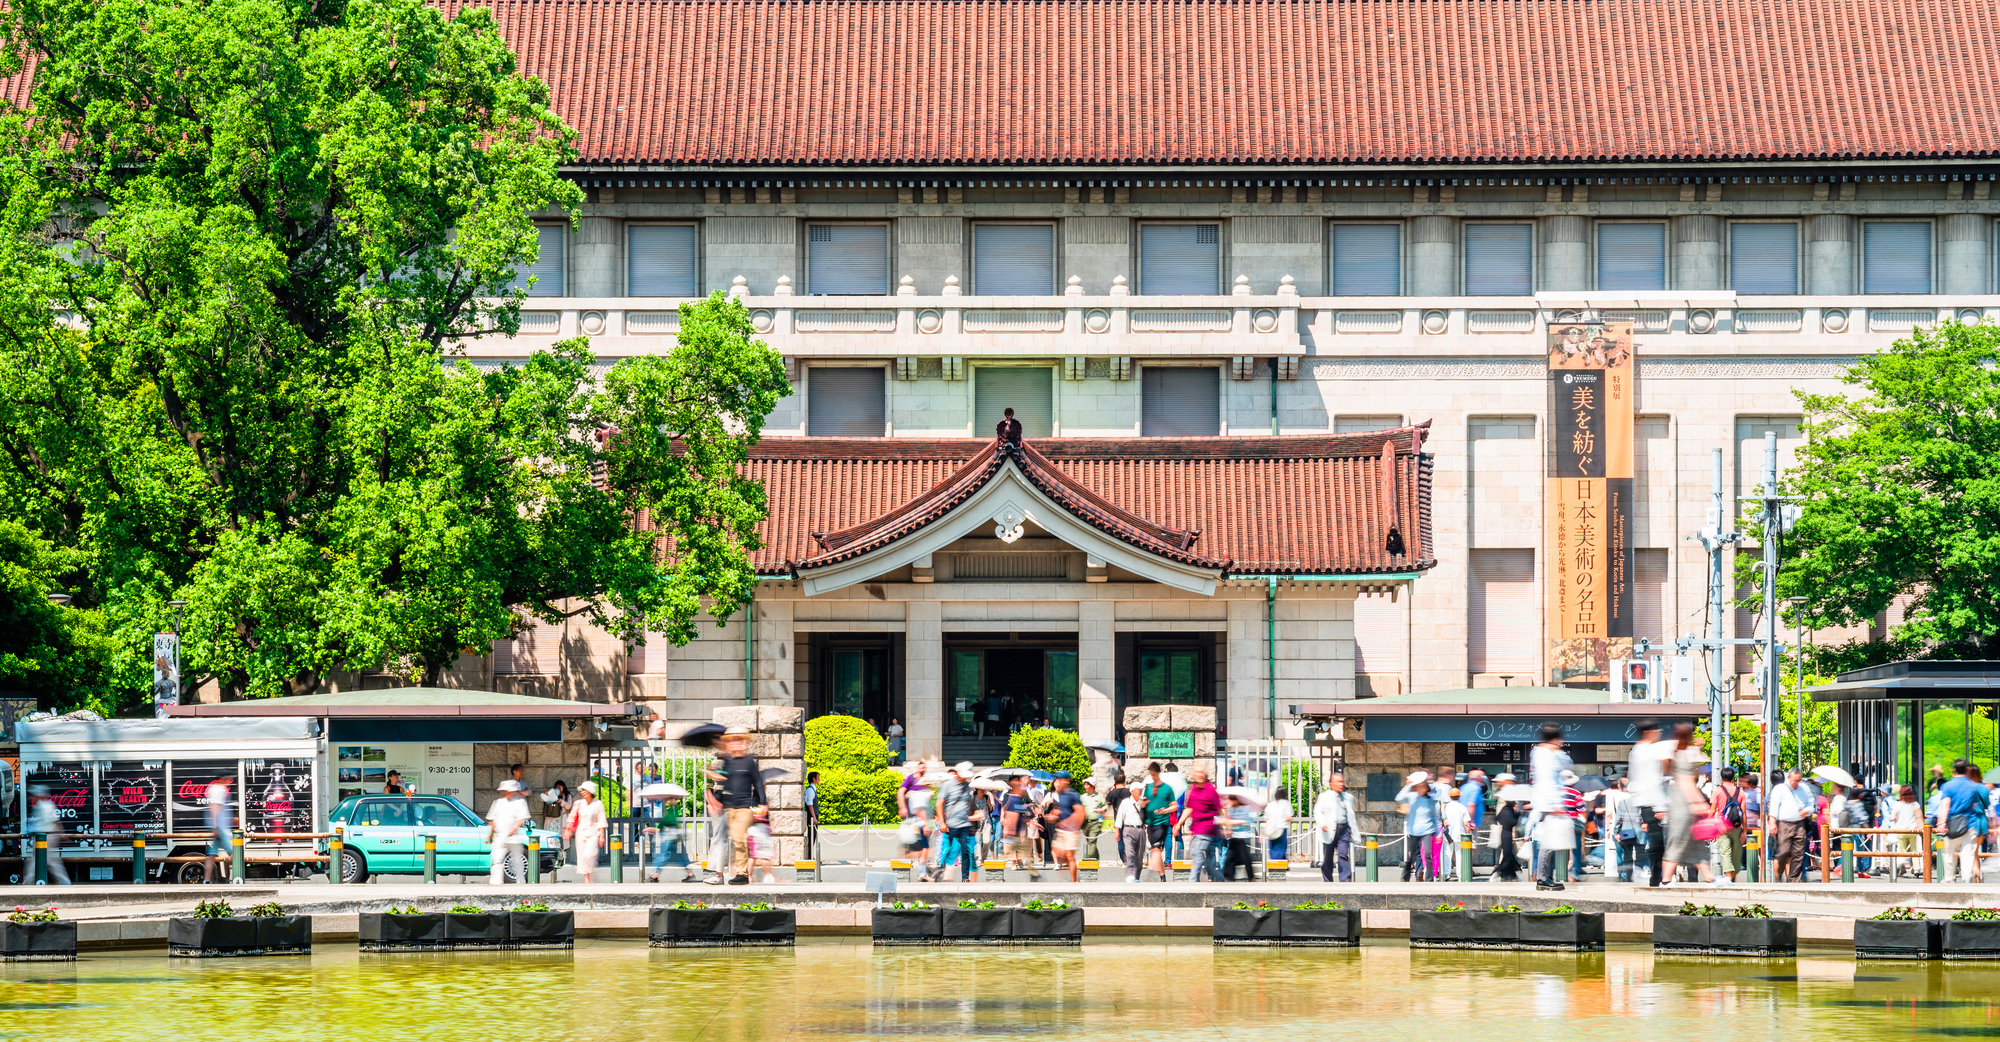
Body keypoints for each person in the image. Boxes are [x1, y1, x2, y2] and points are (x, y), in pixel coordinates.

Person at [704, 726, 768, 885]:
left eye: (739, 740)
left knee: (739, 837)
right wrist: (718, 800)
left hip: (745, 806)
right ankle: (727, 873)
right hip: (729, 806)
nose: (736, 743)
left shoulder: (749, 761)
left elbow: (758, 782)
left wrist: (763, 802)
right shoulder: (727, 761)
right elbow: (728, 783)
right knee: (731, 839)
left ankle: (743, 874)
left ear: (743, 743)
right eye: (732, 740)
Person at [1658, 722, 1715, 887]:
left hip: (1680, 800)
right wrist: (1697, 803)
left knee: (1695, 842)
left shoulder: (1677, 753)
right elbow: (1687, 783)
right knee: (1679, 840)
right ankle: (1666, 880)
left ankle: (1709, 877)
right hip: (1683, 802)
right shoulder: (1683, 755)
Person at [1627, 720, 1670, 887]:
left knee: (1655, 841)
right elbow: (1654, 781)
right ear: (1648, 732)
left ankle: (1657, 876)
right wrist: (1660, 807)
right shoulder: (1649, 751)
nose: (1659, 732)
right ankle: (1657, 876)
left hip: (1644, 802)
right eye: (1657, 729)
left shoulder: (1635, 751)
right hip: (1654, 803)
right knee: (1658, 842)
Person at [1531, 724, 1574, 891]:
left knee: (1551, 843)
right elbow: (1548, 780)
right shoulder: (1545, 755)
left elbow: (1567, 764)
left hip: (1550, 803)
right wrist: (1554, 804)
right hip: (1549, 804)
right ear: (1555, 739)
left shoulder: (1546, 753)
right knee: (1548, 843)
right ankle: (1543, 878)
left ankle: (1545, 876)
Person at [1938, 759, 1992, 884]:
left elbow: (1945, 804)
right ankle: (1967, 878)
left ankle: (1949, 879)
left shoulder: (1948, 786)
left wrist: (1941, 823)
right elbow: (1974, 805)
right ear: (1967, 770)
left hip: (1952, 824)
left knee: (1949, 853)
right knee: (1968, 853)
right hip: (1970, 823)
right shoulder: (1973, 786)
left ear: (1954, 770)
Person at [934, 762, 980, 882]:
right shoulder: (947, 785)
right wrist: (942, 822)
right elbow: (939, 803)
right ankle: (940, 868)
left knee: (965, 850)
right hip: (951, 824)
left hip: (964, 824)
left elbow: (968, 802)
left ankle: (965, 878)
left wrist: (974, 814)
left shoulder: (967, 786)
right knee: (949, 849)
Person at [1766, 768, 1814, 883]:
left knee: (1798, 854)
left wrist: (1807, 810)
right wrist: (1772, 823)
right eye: (1794, 780)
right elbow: (1774, 807)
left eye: (1799, 780)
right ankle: (1779, 876)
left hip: (1800, 824)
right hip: (1784, 824)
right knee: (1783, 851)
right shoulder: (1780, 789)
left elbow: (1811, 803)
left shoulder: (1804, 788)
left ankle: (1794, 881)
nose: (1796, 783)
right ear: (1788, 778)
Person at [1179, 767, 1224, 882]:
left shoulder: (1210, 789)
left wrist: (1224, 825)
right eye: (1196, 773)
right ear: (1193, 775)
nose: (1199, 775)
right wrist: (1179, 823)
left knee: (1197, 854)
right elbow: (1189, 808)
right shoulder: (1193, 789)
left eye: (1201, 772)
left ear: (1205, 774)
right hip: (1197, 829)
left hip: (1207, 828)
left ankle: (1193, 881)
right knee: (1209, 860)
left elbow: (1219, 809)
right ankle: (1220, 879)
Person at [1313, 772, 1357, 882]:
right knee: (1328, 856)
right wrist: (1322, 823)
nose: (1341, 784)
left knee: (1343, 854)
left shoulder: (1348, 797)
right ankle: (1328, 879)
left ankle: (1345, 879)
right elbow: (1318, 811)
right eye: (1338, 782)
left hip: (1344, 829)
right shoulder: (1324, 797)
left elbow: (1351, 815)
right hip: (1328, 829)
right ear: (1331, 784)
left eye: (1342, 781)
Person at [1397, 771, 1440, 882]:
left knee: (1427, 854)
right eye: (1418, 787)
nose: (1421, 789)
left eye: (1423, 787)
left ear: (1426, 788)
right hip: (1413, 830)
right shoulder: (1411, 796)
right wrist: (1407, 786)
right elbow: (1398, 798)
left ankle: (1429, 879)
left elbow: (1434, 816)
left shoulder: (1430, 800)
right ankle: (1405, 878)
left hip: (1427, 830)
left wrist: (1437, 832)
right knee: (1410, 856)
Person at [644, 790, 695, 883]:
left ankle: (655, 875)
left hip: (668, 837)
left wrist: (654, 828)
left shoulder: (672, 811)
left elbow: (665, 823)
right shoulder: (672, 810)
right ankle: (690, 874)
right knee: (679, 857)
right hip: (673, 836)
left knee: (661, 855)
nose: (665, 800)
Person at [485, 780, 530, 884]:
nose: (506, 793)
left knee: (517, 860)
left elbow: (521, 818)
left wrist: (515, 828)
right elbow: (492, 820)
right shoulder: (497, 803)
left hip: (513, 837)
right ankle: (496, 881)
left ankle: (520, 881)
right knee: (497, 859)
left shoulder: (520, 802)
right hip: (499, 836)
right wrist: (490, 833)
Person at [25, 786, 71, 885]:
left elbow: (55, 821)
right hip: (45, 836)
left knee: (37, 860)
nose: (30, 797)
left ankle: (28, 882)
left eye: (32, 795)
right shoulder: (43, 805)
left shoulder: (44, 806)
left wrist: (62, 835)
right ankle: (64, 881)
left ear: (37, 795)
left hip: (45, 837)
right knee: (51, 861)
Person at [1045, 772, 1086, 881]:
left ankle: (1073, 881)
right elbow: (1059, 811)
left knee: (1069, 855)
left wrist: (1071, 824)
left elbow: (1080, 813)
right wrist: (1052, 815)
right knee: (1057, 852)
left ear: (1067, 781)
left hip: (1071, 831)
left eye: (1060, 779)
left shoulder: (1073, 795)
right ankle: (1065, 879)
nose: (1057, 782)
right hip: (1060, 830)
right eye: (1057, 779)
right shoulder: (1060, 795)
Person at [567, 780, 609, 884]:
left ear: (590, 791)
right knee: (582, 856)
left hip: (594, 833)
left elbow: (601, 820)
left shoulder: (598, 804)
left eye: (584, 790)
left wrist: (602, 836)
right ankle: (587, 878)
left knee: (589, 854)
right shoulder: (578, 803)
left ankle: (591, 869)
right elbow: (571, 817)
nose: (582, 792)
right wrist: (567, 830)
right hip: (581, 832)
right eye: (581, 790)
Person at [1001, 775, 1042, 882]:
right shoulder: (1008, 795)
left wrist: (1030, 821)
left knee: (1021, 849)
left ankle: (1030, 872)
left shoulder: (1020, 795)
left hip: (1019, 825)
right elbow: (1005, 809)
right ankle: (1016, 865)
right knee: (1012, 847)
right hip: (1012, 827)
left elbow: (1021, 811)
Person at [1708, 768, 1746, 883]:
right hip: (1736, 826)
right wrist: (1744, 830)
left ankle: (1728, 877)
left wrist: (1709, 826)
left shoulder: (1718, 791)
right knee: (1736, 853)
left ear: (1721, 777)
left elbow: (1712, 811)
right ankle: (1732, 877)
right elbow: (1743, 813)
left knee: (1725, 852)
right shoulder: (1740, 791)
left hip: (1722, 827)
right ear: (1733, 778)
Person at [1142, 763, 1174, 881]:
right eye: (1151, 775)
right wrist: (1143, 804)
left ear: (1159, 773)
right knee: (1155, 849)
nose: (1153, 777)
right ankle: (1162, 876)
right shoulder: (1148, 787)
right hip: (1150, 823)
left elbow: (1175, 806)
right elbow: (1143, 804)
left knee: (1156, 848)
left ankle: (1151, 872)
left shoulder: (1167, 788)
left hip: (1162, 822)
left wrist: (1164, 811)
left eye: (1154, 775)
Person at [1885, 784, 1923, 879]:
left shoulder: (1897, 805)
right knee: (1914, 850)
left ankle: (1900, 866)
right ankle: (1917, 869)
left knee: (1901, 850)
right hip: (1912, 830)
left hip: (1901, 830)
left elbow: (1892, 818)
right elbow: (1919, 816)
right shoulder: (1914, 804)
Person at [1491, 774, 1524, 882]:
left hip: (1505, 832)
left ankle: (1504, 871)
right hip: (1507, 832)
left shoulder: (1505, 809)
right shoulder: (1510, 811)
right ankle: (1509, 872)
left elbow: (1498, 818)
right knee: (1507, 852)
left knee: (1507, 852)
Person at [202, 773, 234, 883]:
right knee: (234, 853)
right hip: (220, 828)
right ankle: (233, 878)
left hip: (215, 827)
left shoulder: (213, 789)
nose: (230, 780)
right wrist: (216, 827)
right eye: (228, 778)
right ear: (222, 778)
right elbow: (215, 808)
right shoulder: (219, 790)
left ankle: (206, 880)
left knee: (211, 855)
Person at [1116, 776, 1149, 881]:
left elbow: (1146, 817)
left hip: (1141, 830)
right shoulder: (1126, 802)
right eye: (1139, 790)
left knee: (1139, 855)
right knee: (1130, 853)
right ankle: (1130, 874)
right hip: (1128, 829)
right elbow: (1120, 816)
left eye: (1141, 790)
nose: (1140, 791)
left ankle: (1137, 876)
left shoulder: (1143, 803)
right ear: (1133, 791)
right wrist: (1117, 830)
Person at [1222, 795, 1260, 881]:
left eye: (1233, 800)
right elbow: (1227, 821)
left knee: (1244, 857)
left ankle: (1250, 877)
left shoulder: (1245, 809)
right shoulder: (1230, 809)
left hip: (1242, 836)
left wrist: (1233, 822)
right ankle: (1229, 876)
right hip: (1233, 836)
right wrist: (1228, 826)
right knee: (1229, 857)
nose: (1232, 802)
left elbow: (1247, 821)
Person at [1440, 786, 1471, 877]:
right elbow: (1466, 824)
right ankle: (1460, 874)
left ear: (1450, 797)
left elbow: (1442, 820)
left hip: (1447, 834)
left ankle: (1447, 873)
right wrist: (1468, 834)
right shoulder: (1462, 808)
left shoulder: (1445, 807)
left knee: (1447, 854)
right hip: (1459, 834)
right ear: (1459, 797)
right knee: (1459, 854)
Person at [1263, 784, 1294, 863]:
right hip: (1281, 829)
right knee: (1281, 849)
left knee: (1273, 848)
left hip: (1271, 830)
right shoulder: (1286, 803)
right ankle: (1280, 865)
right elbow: (1289, 817)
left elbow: (1266, 819)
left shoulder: (1271, 805)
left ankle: (1274, 864)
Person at [748, 809, 779, 884]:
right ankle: (768, 875)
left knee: (754, 857)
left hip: (757, 841)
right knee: (762, 859)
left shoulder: (754, 827)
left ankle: (750, 876)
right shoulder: (764, 826)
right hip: (761, 842)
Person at [1080, 778, 1108, 863]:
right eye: (1085, 784)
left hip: (1095, 822)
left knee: (1092, 840)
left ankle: (1090, 860)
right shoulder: (1083, 797)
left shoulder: (1099, 796)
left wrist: (1101, 810)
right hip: (1085, 823)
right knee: (1090, 841)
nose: (1085, 786)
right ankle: (1096, 856)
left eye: (1087, 784)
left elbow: (1105, 806)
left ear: (1092, 785)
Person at [803, 771, 821, 861]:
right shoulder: (810, 789)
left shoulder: (813, 789)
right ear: (814, 779)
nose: (819, 779)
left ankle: (811, 855)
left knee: (813, 836)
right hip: (811, 817)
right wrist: (814, 817)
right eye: (818, 777)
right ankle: (810, 856)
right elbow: (809, 804)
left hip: (813, 816)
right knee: (811, 836)